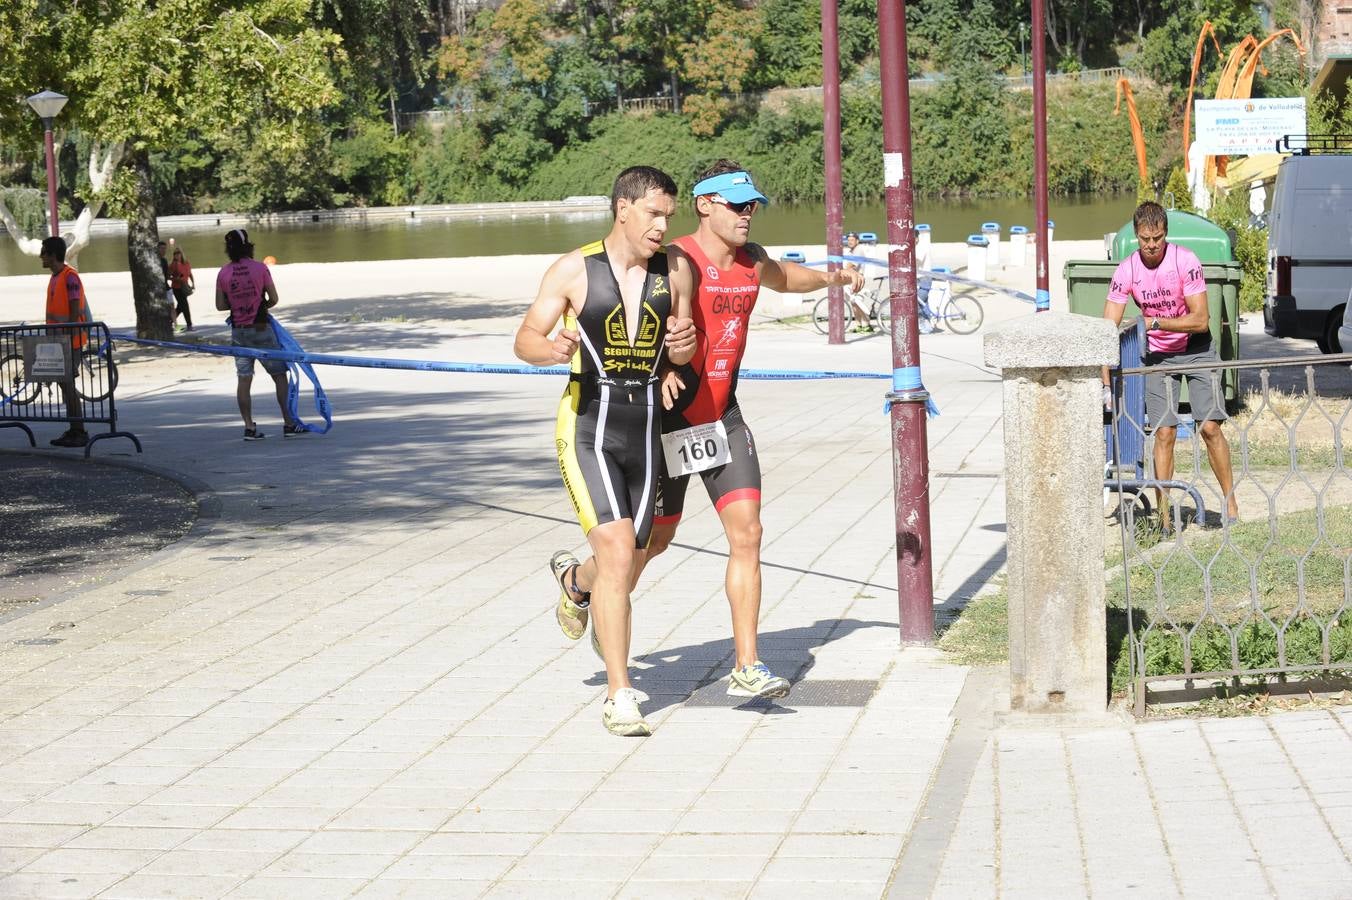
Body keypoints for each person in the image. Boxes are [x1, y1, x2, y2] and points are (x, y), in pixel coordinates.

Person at [644, 159, 864, 700]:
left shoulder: (752, 261)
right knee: (651, 542)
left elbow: (787, 279)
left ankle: (747, 665)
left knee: (748, 535)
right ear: (704, 205)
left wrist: (834, 276)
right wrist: (665, 368)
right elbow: (638, 321)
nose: (748, 215)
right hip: (668, 420)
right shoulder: (673, 260)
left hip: (723, 417)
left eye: (753, 205)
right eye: (737, 206)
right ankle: (587, 587)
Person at [514, 166, 696, 737]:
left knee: (632, 559)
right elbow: (524, 339)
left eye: (670, 214)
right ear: (623, 208)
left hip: (647, 425)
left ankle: (575, 583)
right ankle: (621, 696)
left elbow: (682, 344)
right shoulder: (574, 269)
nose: (664, 226)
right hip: (589, 424)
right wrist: (551, 348)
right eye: (654, 213)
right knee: (619, 552)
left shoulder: (677, 271)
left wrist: (679, 357)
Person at [1102, 201, 1238, 525]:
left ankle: (1231, 506)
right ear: (1137, 235)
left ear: (1166, 234)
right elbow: (1106, 331)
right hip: (1159, 355)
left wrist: (1156, 322)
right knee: (1164, 432)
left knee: (1209, 427)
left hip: (1197, 348)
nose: (1151, 246)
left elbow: (1201, 320)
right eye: (1145, 239)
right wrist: (1105, 385)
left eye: (1158, 238)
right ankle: (1164, 516)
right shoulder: (1127, 270)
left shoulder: (1185, 261)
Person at [215, 228, 302, 441]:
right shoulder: (260, 268)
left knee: (244, 380)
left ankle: (249, 427)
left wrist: (237, 304)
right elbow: (274, 298)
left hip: (239, 332)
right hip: (261, 328)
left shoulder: (223, 272)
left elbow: (219, 305)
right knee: (279, 376)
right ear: (248, 246)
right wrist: (260, 304)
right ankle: (289, 423)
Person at [40, 236, 92, 448]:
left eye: (43, 252)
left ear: (53, 255)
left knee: (68, 385)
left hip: (71, 341)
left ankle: (79, 431)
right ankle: (74, 429)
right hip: (59, 342)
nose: (40, 256)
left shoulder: (70, 277)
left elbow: (72, 313)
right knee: (65, 384)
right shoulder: (55, 277)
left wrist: (66, 341)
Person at [843, 232, 876, 332]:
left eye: (852, 240)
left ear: (857, 241)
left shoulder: (858, 249)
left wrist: (842, 270)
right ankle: (859, 325)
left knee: (858, 302)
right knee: (854, 304)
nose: (850, 242)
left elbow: (852, 265)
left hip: (858, 280)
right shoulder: (851, 251)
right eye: (848, 240)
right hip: (852, 280)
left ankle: (866, 324)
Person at [169, 245, 195, 332]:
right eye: (175, 253)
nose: (177, 255)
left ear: (181, 253)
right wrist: (176, 279)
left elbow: (190, 273)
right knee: (185, 306)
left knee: (180, 307)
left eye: (178, 253)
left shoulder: (186, 263)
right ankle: (189, 325)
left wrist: (193, 283)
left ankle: (169, 322)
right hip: (177, 288)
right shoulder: (173, 265)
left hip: (185, 287)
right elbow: (168, 276)